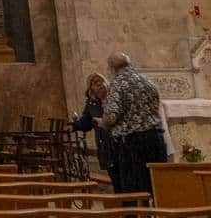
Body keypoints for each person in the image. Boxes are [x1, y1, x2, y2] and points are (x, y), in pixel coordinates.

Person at [97, 52, 168, 195]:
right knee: (157, 187)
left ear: (112, 68)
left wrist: (102, 122)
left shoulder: (117, 84)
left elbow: (111, 116)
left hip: (133, 144)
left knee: (134, 190)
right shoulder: (147, 81)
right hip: (156, 140)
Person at [69, 73, 118, 186]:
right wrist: (74, 126)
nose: (99, 84)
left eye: (101, 81)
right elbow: (86, 122)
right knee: (116, 181)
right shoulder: (91, 103)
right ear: (91, 88)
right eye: (95, 83)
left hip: (119, 144)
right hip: (105, 146)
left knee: (126, 180)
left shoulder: (115, 97)